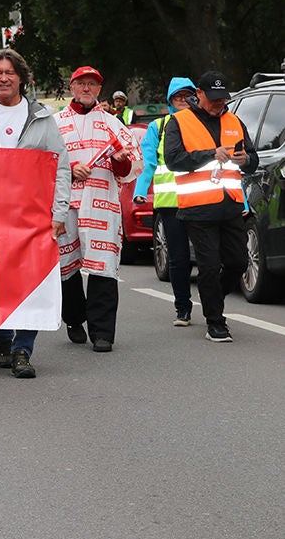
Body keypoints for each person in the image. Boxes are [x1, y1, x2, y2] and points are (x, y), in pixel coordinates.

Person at [0, 50, 71, 378]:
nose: (3, 78)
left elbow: (60, 167)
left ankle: (23, 349)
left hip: (31, 216)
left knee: (30, 282)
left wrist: (59, 212)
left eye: (10, 72)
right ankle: (4, 340)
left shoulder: (42, 118)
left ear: (21, 78)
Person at [163, 71, 258, 342]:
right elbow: (173, 160)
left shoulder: (234, 120)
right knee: (209, 265)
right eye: (214, 98)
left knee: (239, 262)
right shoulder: (179, 121)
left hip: (231, 205)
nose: (219, 103)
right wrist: (209, 154)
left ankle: (212, 298)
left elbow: (253, 159)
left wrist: (245, 160)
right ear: (199, 94)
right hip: (198, 207)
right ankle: (215, 322)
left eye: (223, 98)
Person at [54, 66, 141, 351]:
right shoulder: (55, 124)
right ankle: (73, 318)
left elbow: (130, 169)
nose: (86, 88)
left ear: (99, 90)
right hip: (64, 204)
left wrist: (119, 160)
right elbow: (42, 162)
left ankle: (102, 332)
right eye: (81, 83)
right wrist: (69, 169)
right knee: (66, 266)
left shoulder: (113, 125)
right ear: (72, 87)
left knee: (103, 265)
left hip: (101, 204)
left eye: (92, 84)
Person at [132, 78, 198, 325]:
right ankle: (183, 308)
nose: (183, 100)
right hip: (170, 205)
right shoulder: (158, 127)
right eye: (177, 97)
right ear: (170, 100)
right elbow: (148, 163)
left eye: (187, 95)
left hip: (202, 201)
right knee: (179, 258)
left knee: (210, 258)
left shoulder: (203, 124)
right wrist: (140, 190)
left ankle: (214, 308)